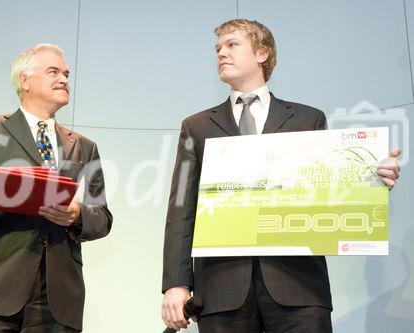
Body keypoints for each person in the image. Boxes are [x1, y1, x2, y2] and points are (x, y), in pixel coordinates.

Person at [161, 19, 401, 333]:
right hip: (221, 291)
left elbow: (327, 192)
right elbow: (182, 210)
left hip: (299, 287)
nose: (221, 53)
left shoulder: (307, 118)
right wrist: (176, 284)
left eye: (232, 45)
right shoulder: (197, 126)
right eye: (218, 48)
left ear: (262, 53)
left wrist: (373, 182)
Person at [0, 43, 113, 332]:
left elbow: (103, 217)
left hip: (56, 303)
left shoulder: (84, 146)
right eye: (53, 71)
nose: (64, 79)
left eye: (66, 73)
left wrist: (78, 214)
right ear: (25, 81)